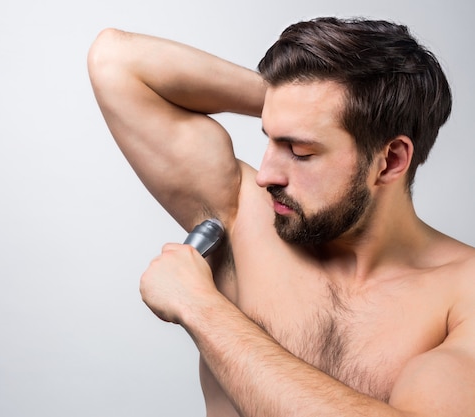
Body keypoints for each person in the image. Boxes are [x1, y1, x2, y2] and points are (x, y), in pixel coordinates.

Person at [87, 17, 475, 417]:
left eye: (301, 151)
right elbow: (116, 60)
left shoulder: (463, 292)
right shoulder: (243, 216)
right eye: (270, 138)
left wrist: (200, 308)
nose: (266, 175)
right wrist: (301, 106)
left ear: (390, 160)